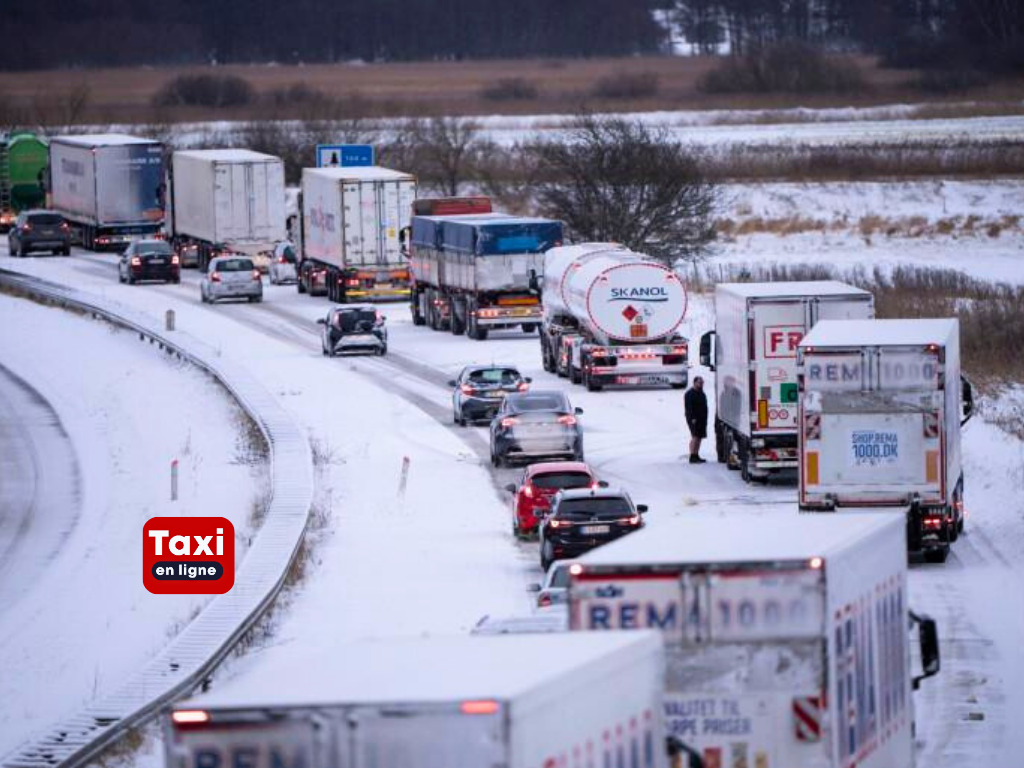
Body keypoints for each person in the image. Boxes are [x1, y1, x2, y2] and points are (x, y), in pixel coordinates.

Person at [684, 376, 708, 464]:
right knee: (695, 436)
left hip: (702, 419)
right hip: (694, 419)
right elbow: (689, 408)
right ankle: (692, 456)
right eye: (699, 382)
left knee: (699, 437)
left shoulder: (701, 393)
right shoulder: (689, 394)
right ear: (694, 383)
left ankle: (696, 454)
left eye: (702, 383)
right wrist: (692, 418)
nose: (701, 384)